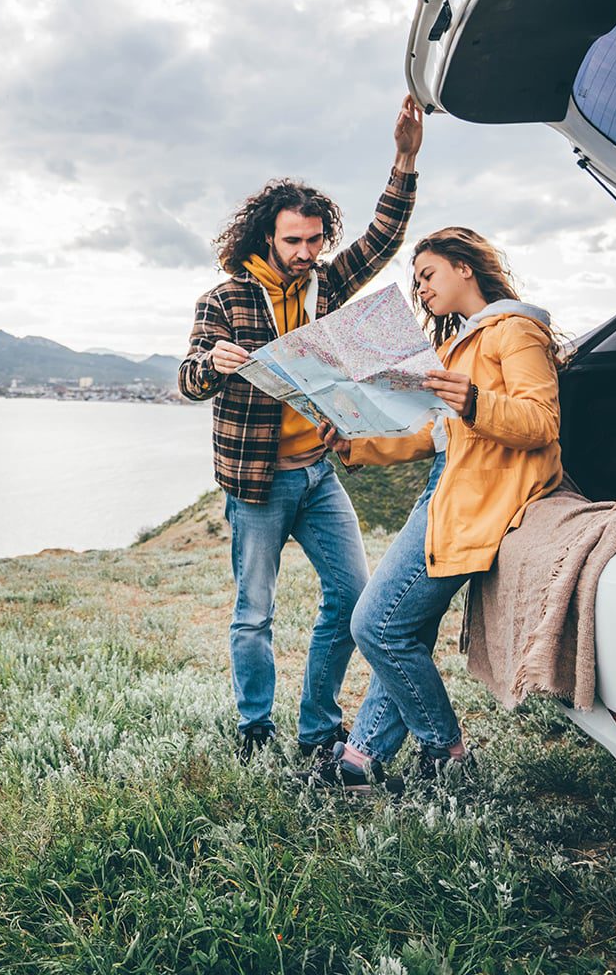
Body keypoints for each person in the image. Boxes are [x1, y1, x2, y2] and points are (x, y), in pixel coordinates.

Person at [179, 95, 424, 760]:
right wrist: (214, 362)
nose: (308, 252)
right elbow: (186, 379)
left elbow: (384, 238)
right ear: (267, 237)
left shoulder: (324, 286)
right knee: (254, 614)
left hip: (317, 475)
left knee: (354, 599)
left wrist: (404, 156)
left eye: (316, 240)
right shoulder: (224, 299)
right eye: (295, 241)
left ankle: (318, 727)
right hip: (255, 483)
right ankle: (255, 729)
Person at [314, 226, 563, 790]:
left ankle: (445, 751)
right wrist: (357, 445)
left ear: (464, 268)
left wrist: (475, 400)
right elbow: (435, 434)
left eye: (428, 275)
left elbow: (543, 424)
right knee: (405, 629)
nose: (422, 289)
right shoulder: (459, 345)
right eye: (417, 281)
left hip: (476, 499)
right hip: (447, 487)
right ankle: (360, 761)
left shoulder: (515, 331)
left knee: (376, 625)